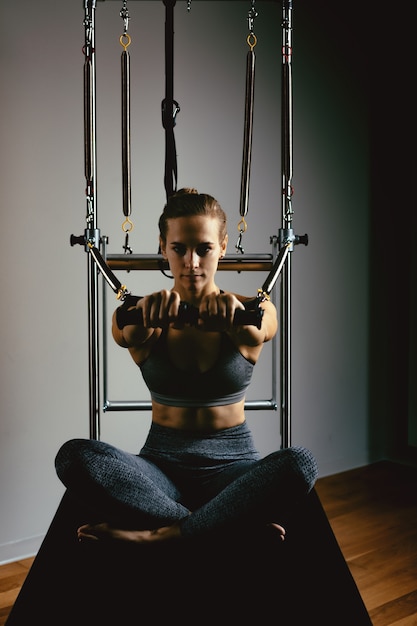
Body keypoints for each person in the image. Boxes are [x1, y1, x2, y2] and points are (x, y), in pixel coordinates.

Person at [54, 187, 318, 546]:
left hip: (234, 469)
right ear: (163, 246)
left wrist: (233, 319)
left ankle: (159, 536)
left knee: (300, 464)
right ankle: (221, 526)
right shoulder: (143, 316)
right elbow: (121, 328)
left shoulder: (249, 310)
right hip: (161, 470)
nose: (191, 262)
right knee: (73, 457)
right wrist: (146, 316)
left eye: (204, 248)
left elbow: (265, 324)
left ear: (222, 246)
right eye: (179, 248)